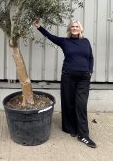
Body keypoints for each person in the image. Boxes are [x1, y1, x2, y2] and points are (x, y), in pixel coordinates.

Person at [33, 19, 97, 148]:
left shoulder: (86, 41)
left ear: (80, 29)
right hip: (68, 76)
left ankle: (83, 135)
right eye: (72, 26)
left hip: (83, 78)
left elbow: (90, 57)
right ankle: (70, 128)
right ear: (69, 29)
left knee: (81, 105)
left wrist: (90, 71)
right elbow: (50, 36)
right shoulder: (64, 41)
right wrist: (39, 27)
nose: (74, 28)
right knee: (68, 102)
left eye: (77, 26)